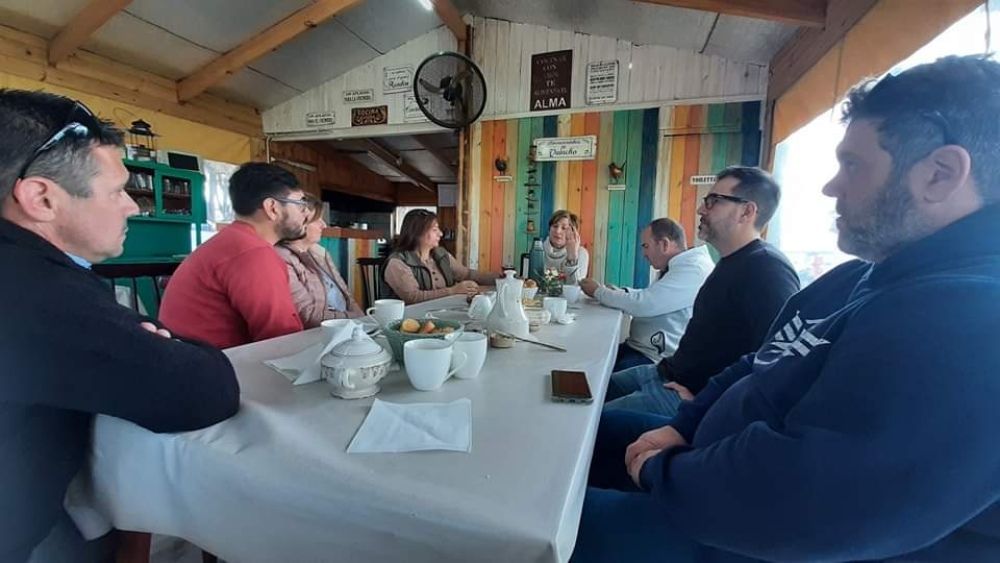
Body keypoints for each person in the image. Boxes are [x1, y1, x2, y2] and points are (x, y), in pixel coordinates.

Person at [572, 54, 1000, 563]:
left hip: (743, 539)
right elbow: (758, 362)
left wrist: (664, 471)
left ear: (941, 174)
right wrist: (685, 426)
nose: (830, 186)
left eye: (853, 164)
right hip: (704, 467)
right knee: (571, 441)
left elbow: (807, 498)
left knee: (535, 525)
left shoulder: (973, 319)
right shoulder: (860, 276)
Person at [0, 90, 240, 563]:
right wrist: (161, 341)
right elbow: (203, 391)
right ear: (41, 197)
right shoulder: (37, 292)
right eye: (117, 191)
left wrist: (142, 335)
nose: (133, 207)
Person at [604, 167, 799, 417]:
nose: (700, 210)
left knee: (590, 425)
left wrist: (706, 402)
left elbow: (776, 359)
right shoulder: (729, 261)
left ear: (747, 212)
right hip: (663, 373)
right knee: (587, 390)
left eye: (713, 202)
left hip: (687, 397)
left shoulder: (768, 270)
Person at [159, 163, 310, 348]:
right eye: (301, 204)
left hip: (189, 361)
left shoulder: (231, 241)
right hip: (215, 369)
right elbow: (282, 340)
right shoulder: (253, 254)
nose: (307, 213)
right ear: (272, 208)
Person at [580, 218, 714, 372]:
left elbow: (644, 304)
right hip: (638, 347)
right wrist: (621, 292)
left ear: (664, 244)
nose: (644, 253)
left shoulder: (693, 270)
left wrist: (599, 292)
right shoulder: (679, 265)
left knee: (593, 374)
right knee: (590, 355)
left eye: (646, 246)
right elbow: (652, 296)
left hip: (652, 358)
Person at [383, 209, 496, 304]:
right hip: (409, 323)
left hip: (441, 313)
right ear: (417, 233)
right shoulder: (397, 263)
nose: (440, 234)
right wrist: (453, 291)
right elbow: (413, 297)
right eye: (434, 229)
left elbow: (466, 274)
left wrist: (501, 278)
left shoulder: (441, 254)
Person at [275, 207, 363, 327]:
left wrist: (361, 319)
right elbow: (309, 316)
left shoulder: (320, 253)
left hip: (348, 326)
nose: (324, 225)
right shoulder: (282, 258)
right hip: (325, 332)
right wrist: (357, 318)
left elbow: (347, 296)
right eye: (317, 220)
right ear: (300, 223)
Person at [543, 210, 589, 284]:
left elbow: (576, 287)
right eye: (555, 226)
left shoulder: (581, 253)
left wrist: (572, 256)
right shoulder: (538, 250)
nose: (558, 231)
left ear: (573, 232)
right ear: (549, 229)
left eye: (564, 228)